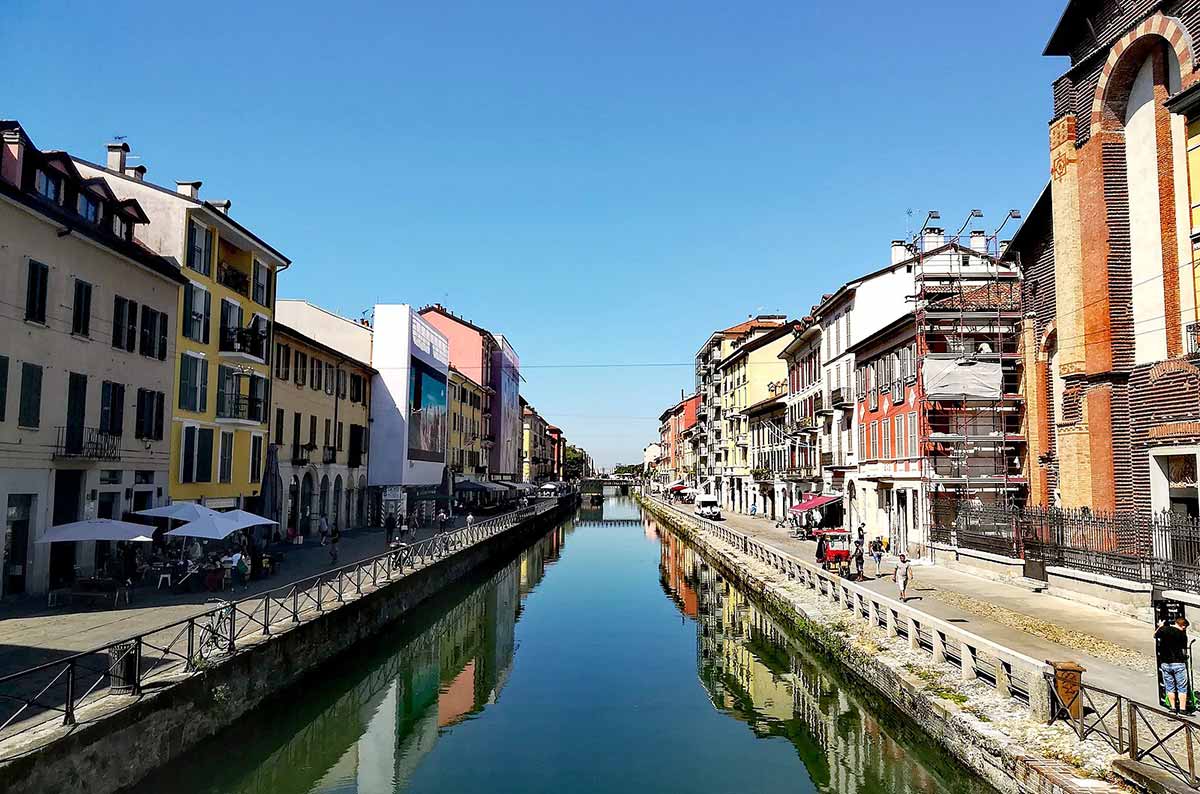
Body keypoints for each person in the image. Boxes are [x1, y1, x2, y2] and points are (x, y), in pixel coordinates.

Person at [1156, 616, 1192, 714]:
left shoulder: (1164, 629)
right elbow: (1183, 650)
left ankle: (1172, 708)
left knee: (1169, 687)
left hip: (1165, 663)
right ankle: (1182, 709)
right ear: (1183, 626)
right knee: (1182, 687)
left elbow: (1155, 635)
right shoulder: (1182, 635)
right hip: (1178, 663)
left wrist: (1160, 626)